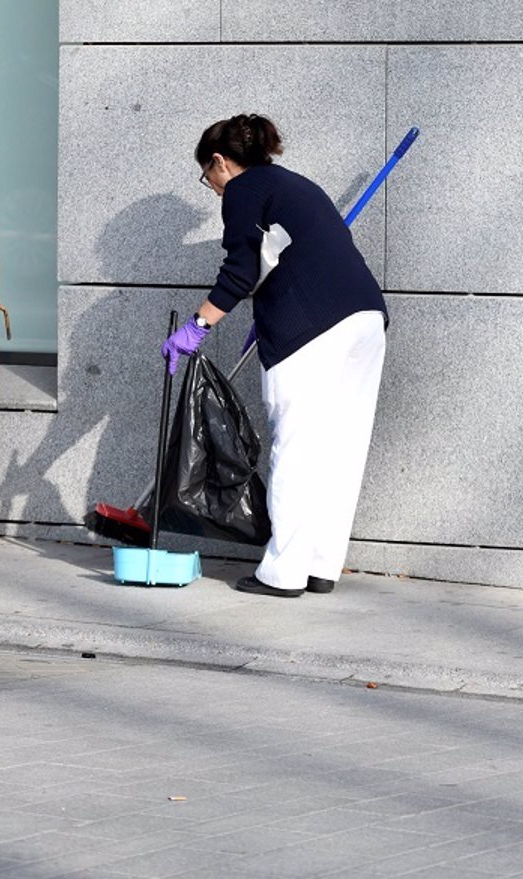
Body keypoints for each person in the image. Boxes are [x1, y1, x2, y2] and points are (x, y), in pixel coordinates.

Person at [161, 114, 388, 598]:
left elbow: (241, 269)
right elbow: (287, 256)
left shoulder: (245, 189)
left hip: (310, 329)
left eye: (210, 177)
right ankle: (321, 566)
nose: (216, 189)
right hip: (365, 319)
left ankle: (283, 573)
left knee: (297, 445)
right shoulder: (296, 185)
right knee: (340, 447)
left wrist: (197, 326)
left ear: (220, 161)